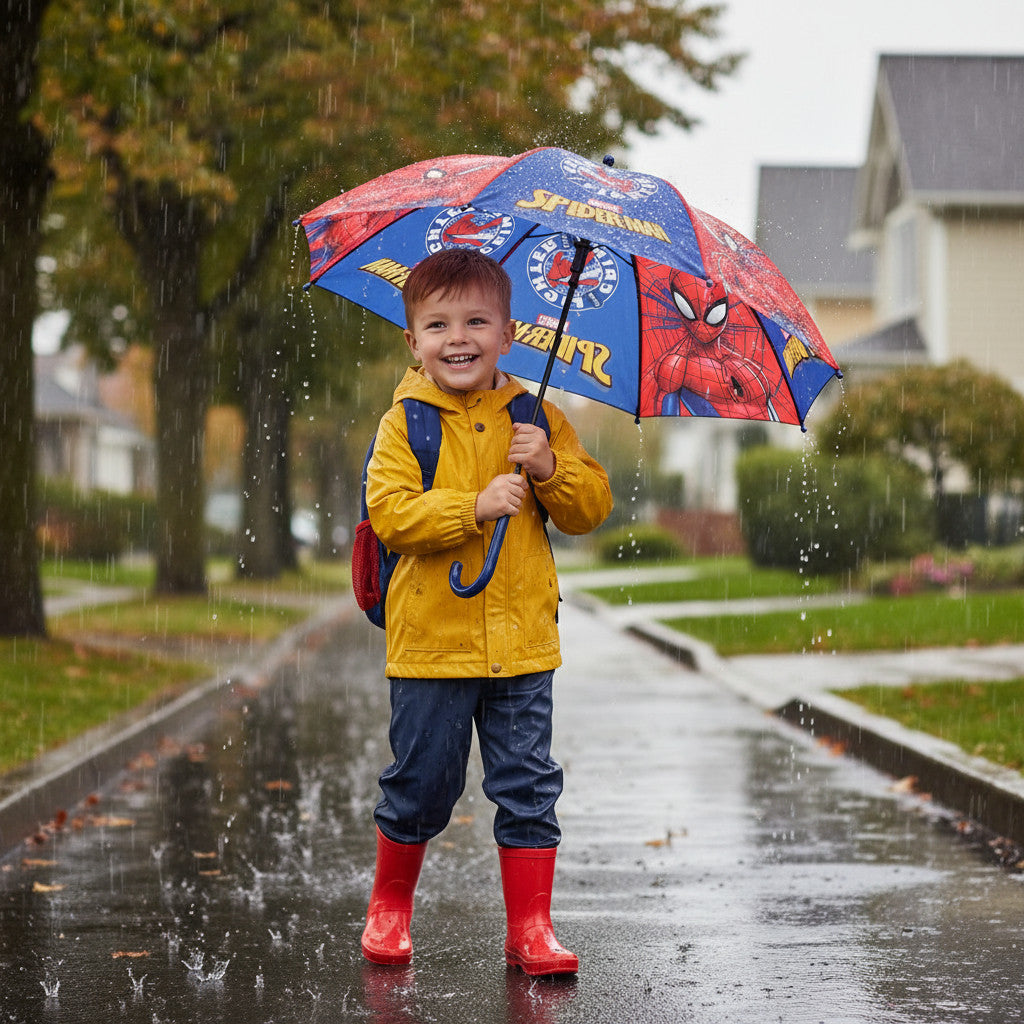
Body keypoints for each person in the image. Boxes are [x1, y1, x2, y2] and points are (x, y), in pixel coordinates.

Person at [361, 248, 613, 976]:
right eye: (438, 324)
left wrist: (549, 469)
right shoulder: (404, 423)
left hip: (522, 646)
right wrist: (472, 507)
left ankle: (531, 927)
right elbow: (391, 514)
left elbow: (589, 509)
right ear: (413, 341)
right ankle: (390, 908)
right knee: (420, 783)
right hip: (432, 644)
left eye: (477, 320)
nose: (458, 336)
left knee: (529, 785)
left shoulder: (538, 418)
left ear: (510, 333)